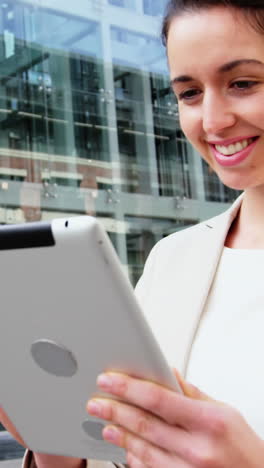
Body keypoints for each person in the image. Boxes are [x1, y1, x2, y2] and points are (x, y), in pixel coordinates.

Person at [2, 0, 264, 466]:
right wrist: (59, 444)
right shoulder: (171, 260)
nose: (212, 121)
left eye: (243, 83)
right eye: (189, 93)